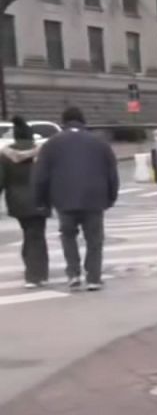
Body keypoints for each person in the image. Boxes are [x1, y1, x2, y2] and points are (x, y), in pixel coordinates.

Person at [33, 106, 118, 291]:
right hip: (94, 198)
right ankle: (93, 278)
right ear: (83, 121)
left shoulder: (51, 144)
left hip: (63, 198)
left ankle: (73, 274)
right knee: (94, 239)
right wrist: (111, 197)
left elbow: (41, 176)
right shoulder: (99, 143)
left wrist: (41, 201)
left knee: (68, 236)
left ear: (63, 122)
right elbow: (112, 172)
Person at [0, 117, 48, 288]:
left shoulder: (5, 155)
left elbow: (1, 181)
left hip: (16, 201)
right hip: (40, 199)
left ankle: (34, 270)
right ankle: (35, 275)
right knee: (37, 236)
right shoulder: (42, 153)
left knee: (29, 234)